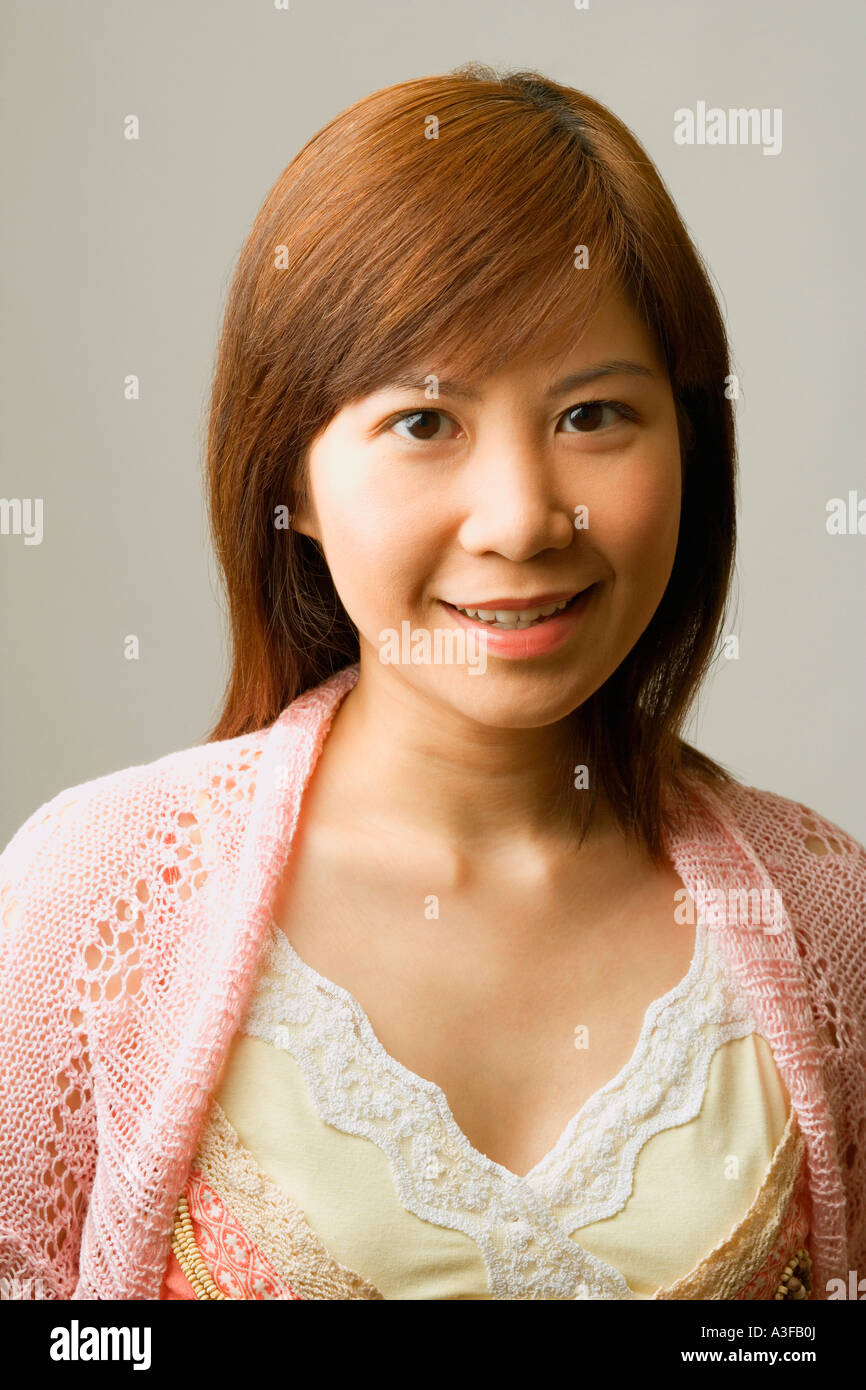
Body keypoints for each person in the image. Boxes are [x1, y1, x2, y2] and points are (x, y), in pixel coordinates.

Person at [1, 64, 864, 1303]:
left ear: (692, 449)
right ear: (286, 480)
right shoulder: (89, 906)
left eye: (593, 414)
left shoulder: (828, 920)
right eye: (423, 422)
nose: (519, 519)